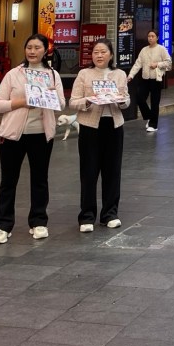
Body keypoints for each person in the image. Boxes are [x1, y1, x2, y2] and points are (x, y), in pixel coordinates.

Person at [0, 33, 65, 244]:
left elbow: (61, 104)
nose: (32, 51)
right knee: (8, 181)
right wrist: (22, 102)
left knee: (40, 179)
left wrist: (51, 96)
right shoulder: (14, 74)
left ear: (46, 51)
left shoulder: (53, 75)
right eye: (29, 47)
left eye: (37, 47)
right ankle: (3, 226)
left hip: (41, 135)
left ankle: (39, 222)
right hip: (13, 136)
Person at [70, 39, 130, 232]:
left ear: (111, 55)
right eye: (96, 52)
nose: (99, 55)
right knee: (89, 171)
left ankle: (110, 214)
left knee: (112, 171)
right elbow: (73, 101)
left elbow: (126, 100)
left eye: (103, 52)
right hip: (90, 127)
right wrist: (88, 101)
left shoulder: (120, 74)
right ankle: (87, 216)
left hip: (113, 126)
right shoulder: (84, 74)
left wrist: (121, 101)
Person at [127, 30, 172, 133]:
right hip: (145, 79)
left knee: (154, 103)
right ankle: (149, 116)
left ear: (157, 38)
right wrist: (131, 75)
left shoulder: (161, 49)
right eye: (149, 36)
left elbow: (169, 62)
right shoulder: (144, 50)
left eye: (152, 36)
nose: (150, 38)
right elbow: (137, 64)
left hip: (156, 80)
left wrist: (157, 64)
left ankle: (153, 125)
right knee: (139, 98)